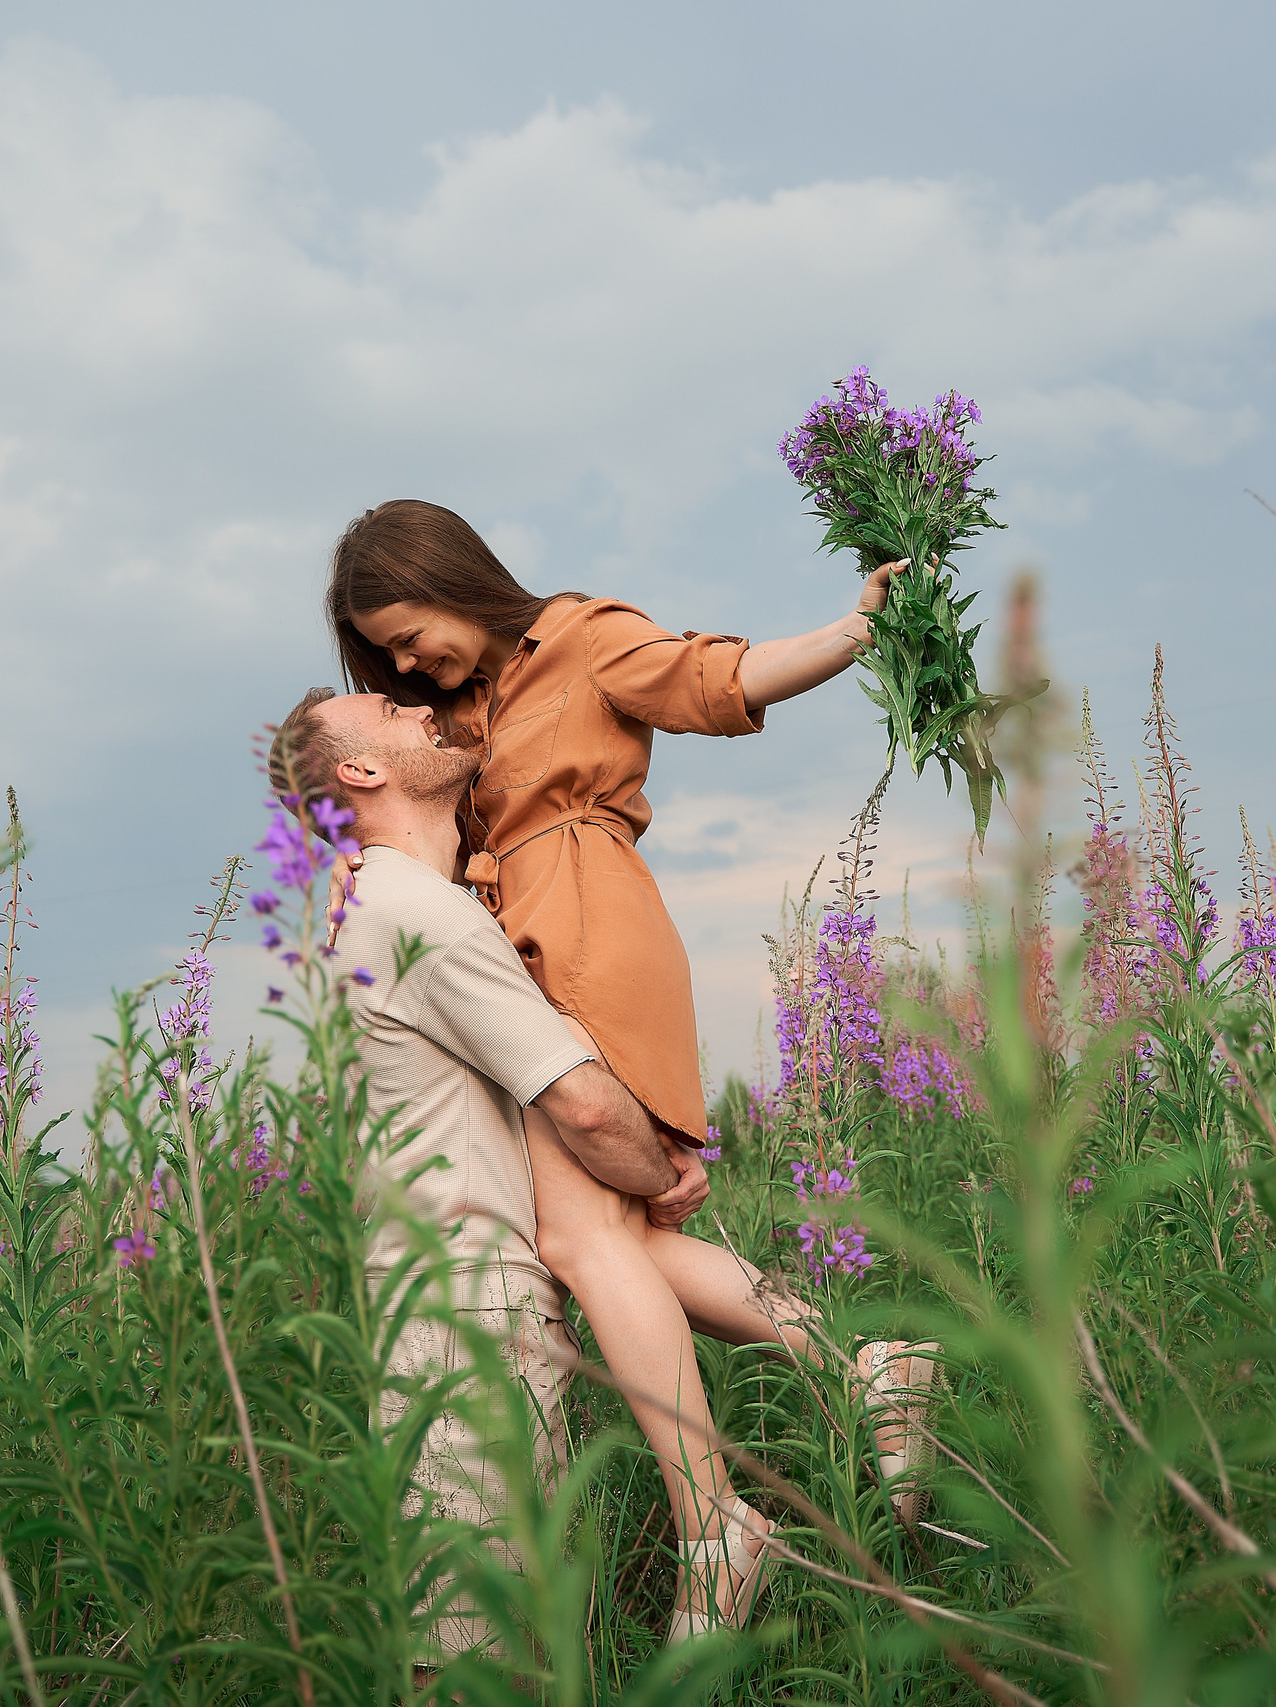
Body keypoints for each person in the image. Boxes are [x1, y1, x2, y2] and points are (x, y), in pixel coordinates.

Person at [316, 500, 939, 1640]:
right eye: (388, 655)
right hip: (529, 939)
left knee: (579, 1241)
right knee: (625, 1243)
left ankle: (716, 1526)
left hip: (589, 920)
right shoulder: (459, 712)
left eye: (407, 633)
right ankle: (864, 1368)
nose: (406, 661)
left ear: (453, 579)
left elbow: (720, 678)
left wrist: (855, 634)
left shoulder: (580, 637)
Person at [271, 687, 695, 1657]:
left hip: (431, 1325)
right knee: (480, 1666)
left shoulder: (373, 908)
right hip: (464, 1335)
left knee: (492, 1654)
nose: (418, 703)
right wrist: (660, 1169)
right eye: (385, 706)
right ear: (361, 772)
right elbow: (584, 1105)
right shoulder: (412, 908)